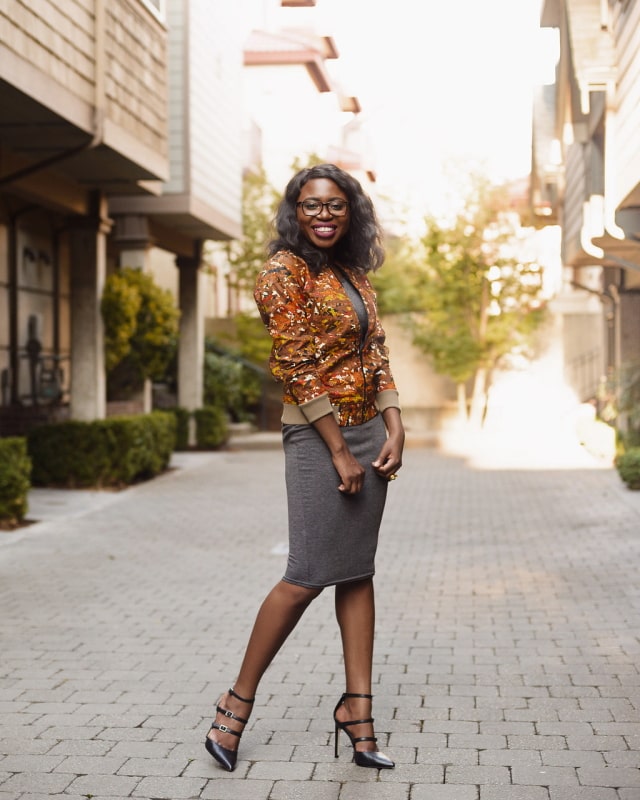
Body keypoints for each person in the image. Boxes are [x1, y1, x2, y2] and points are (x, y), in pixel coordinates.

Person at [205, 163, 405, 772]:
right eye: (312, 205)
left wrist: (395, 421)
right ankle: (235, 704)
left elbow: (375, 351)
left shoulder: (353, 272)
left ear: (351, 212)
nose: (323, 215)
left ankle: (359, 712)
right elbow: (294, 365)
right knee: (306, 575)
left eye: (336, 205)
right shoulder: (279, 274)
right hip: (318, 436)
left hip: (370, 430)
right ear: (296, 210)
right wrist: (339, 450)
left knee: (357, 570)